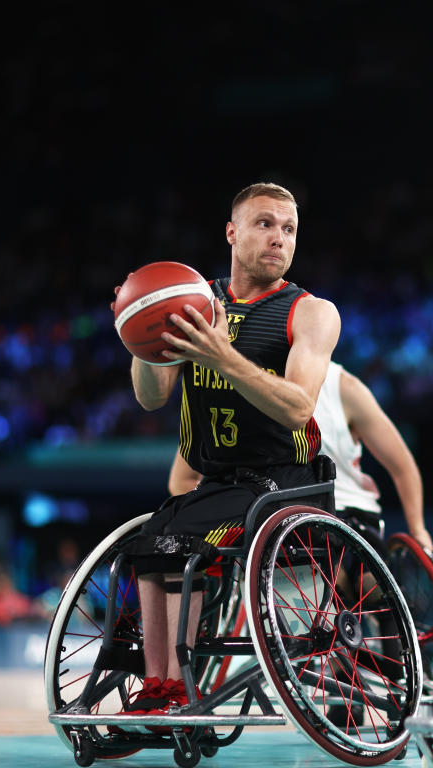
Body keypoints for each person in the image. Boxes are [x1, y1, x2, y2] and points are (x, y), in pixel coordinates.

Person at [118, 181, 340, 715]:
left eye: (289, 229)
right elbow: (152, 399)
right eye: (265, 224)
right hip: (218, 482)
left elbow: (296, 409)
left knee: (185, 544)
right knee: (148, 543)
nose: (279, 238)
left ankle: (176, 688)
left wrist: (221, 357)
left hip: (285, 480)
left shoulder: (310, 312)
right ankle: (156, 686)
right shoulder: (194, 303)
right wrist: (145, 333)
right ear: (232, 232)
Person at [170, 361, 433, 551]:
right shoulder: (231, 384)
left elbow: (403, 467)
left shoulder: (344, 388)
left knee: (354, 578)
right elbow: (181, 479)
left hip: (346, 510)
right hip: (269, 513)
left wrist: (418, 529)